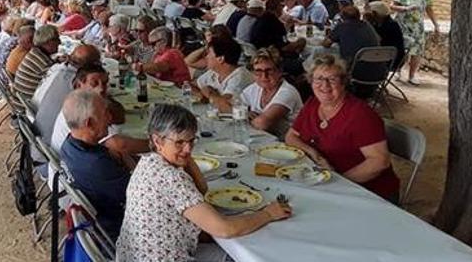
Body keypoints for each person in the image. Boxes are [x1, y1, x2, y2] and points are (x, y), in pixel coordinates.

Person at [116, 104, 292, 261]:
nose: (188, 148)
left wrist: (183, 155)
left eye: (192, 140)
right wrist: (268, 214)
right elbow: (224, 229)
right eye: (180, 142)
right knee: (244, 254)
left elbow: (201, 189)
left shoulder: (149, 162)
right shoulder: (169, 177)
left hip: (136, 256)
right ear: (157, 140)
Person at [286, 54, 400, 202]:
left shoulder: (360, 115)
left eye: (332, 79)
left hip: (368, 192)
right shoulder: (313, 104)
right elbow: (291, 137)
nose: (325, 85)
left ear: (343, 82)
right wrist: (313, 153)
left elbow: (380, 161)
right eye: (319, 79)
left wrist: (339, 182)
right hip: (325, 183)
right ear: (311, 81)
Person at [59, 89, 131, 241]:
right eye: (105, 114)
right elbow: (139, 193)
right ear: (89, 123)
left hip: (96, 222)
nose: (110, 118)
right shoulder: (96, 165)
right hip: (118, 231)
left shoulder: (69, 145)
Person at [33, 44, 101, 138]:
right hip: (50, 141)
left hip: (37, 133)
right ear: (92, 66)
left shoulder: (58, 69)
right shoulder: (78, 83)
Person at [391, 0, 440, 85]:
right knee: (402, 49)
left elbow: (429, 9)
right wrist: (406, 8)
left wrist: (436, 24)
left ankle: (412, 76)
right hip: (402, 25)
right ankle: (397, 71)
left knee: (417, 52)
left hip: (417, 27)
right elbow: (392, 6)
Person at [240, 48, 303, 137]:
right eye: (258, 71)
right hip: (262, 138)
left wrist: (242, 116)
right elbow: (233, 107)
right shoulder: (255, 87)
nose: (264, 76)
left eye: (269, 70)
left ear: (280, 71)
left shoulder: (288, 92)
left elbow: (262, 124)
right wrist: (246, 113)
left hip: (285, 144)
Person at [195, 37, 254, 110]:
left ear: (220, 59)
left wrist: (210, 93)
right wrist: (202, 94)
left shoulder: (240, 76)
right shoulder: (214, 72)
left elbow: (225, 106)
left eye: (209, 53)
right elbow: (190, 86)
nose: (206, 57)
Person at [12, 25, 60, 99]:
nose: (59, 42)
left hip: (21, 100)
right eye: (57, 39)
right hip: (28, 106)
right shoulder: (43, 62)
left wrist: (57, 61)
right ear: (48, 42)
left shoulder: (35, 52)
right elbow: (57, 79)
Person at [364, 1, 406, 71]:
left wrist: (367, 23)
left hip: (390, 60)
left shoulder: (390, 25)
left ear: (375, 14)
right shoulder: (380, 23)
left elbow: (375, 40)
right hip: (383, 57)